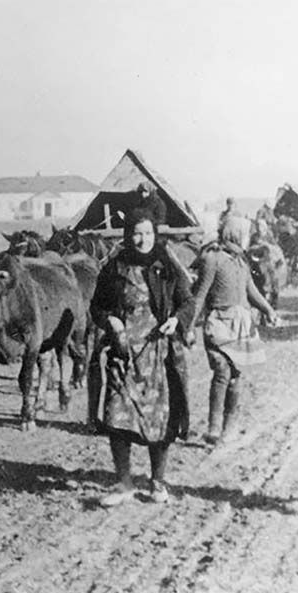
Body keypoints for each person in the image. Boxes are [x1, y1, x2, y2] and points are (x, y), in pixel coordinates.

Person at [90, 208, 196, 507]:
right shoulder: (115, 266)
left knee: (159, 418)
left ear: (155, 234)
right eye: (137, 233)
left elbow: (187, 301)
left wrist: (176, 320)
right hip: (123, 353)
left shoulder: (166, 263)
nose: (142, 239)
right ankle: (123, 482)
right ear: (128, 235)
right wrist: (110, 321)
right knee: (116, 413)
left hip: (158, 353)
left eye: (148, 233)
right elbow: (97, 307)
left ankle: (157, 481)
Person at [191, 215, 279, 445]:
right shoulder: (213, 259)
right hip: (218, 322)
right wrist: (189, 327)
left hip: (240, 325)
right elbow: (200, 296)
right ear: (235, 233)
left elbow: (251, 291)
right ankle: (213, 427)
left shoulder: (241, 261)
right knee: (221, 371)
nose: (248, 238)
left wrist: (268, 309)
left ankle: (230, 427)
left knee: (236, 377)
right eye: (245, 233)